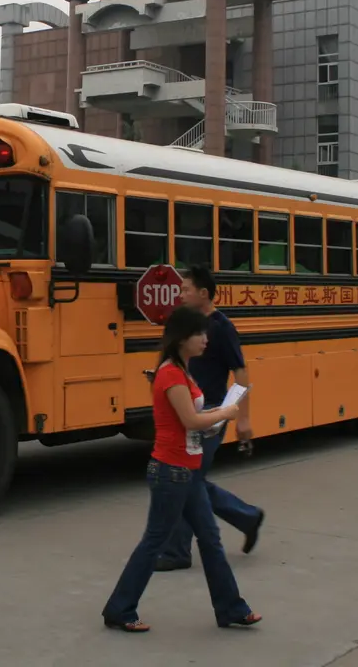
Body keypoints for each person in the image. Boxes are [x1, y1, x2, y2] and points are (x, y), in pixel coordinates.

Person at [101, 306, 257, 633]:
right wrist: (226, 413)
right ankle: (119, 608)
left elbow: (194, 422)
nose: (205, 339)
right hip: (171, 473)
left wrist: (218, 416)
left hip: (188, 470)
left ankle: (231, 608)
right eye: (199, 333)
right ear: (182, 338)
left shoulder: (183, 371)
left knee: (210, 539)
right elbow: (190, 420)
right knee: (154, 542)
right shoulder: (171, 374)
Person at [156, 266, 262, 571]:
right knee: (190, 480)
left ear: (203, 293)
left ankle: (177, 551)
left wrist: (243, 419)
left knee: (185, 479)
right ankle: (247, 517)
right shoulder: (187, 326)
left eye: (186, 289)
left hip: (212, 414)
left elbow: (240, 373)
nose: (180, 294)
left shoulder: (221, 328)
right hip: (188, 410)